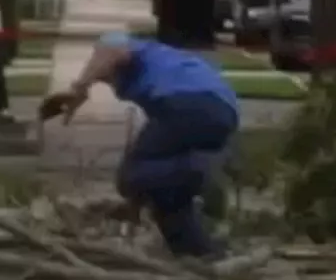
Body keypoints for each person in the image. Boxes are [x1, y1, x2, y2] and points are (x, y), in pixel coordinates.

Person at [40, 32, 239, 259]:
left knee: (131, 176)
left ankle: (199, 171)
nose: (107, 82)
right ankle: (200, 255)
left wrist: (80, 87)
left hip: (191, 104)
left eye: (107, 79)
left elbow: (113, 51)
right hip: (221, 114)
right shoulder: (167, 64)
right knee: (167, 195)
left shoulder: (119, 45)